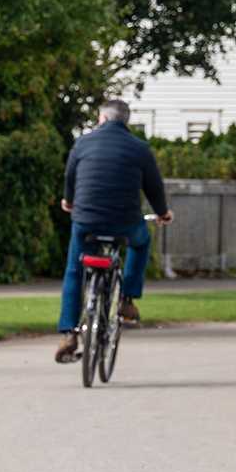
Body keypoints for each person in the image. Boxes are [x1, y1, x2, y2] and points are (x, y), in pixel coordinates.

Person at [56, 96, 170, 360]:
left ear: (102, 118)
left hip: (86, 221)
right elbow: (154, 188)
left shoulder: (81, 143)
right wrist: (163, 213)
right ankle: (127, 300)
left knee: (75, 269)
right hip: (126, 222)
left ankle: (68, 332)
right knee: (140, 244)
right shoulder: (140, 148)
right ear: (125, 121)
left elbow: (70, 179)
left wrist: (69, 202)